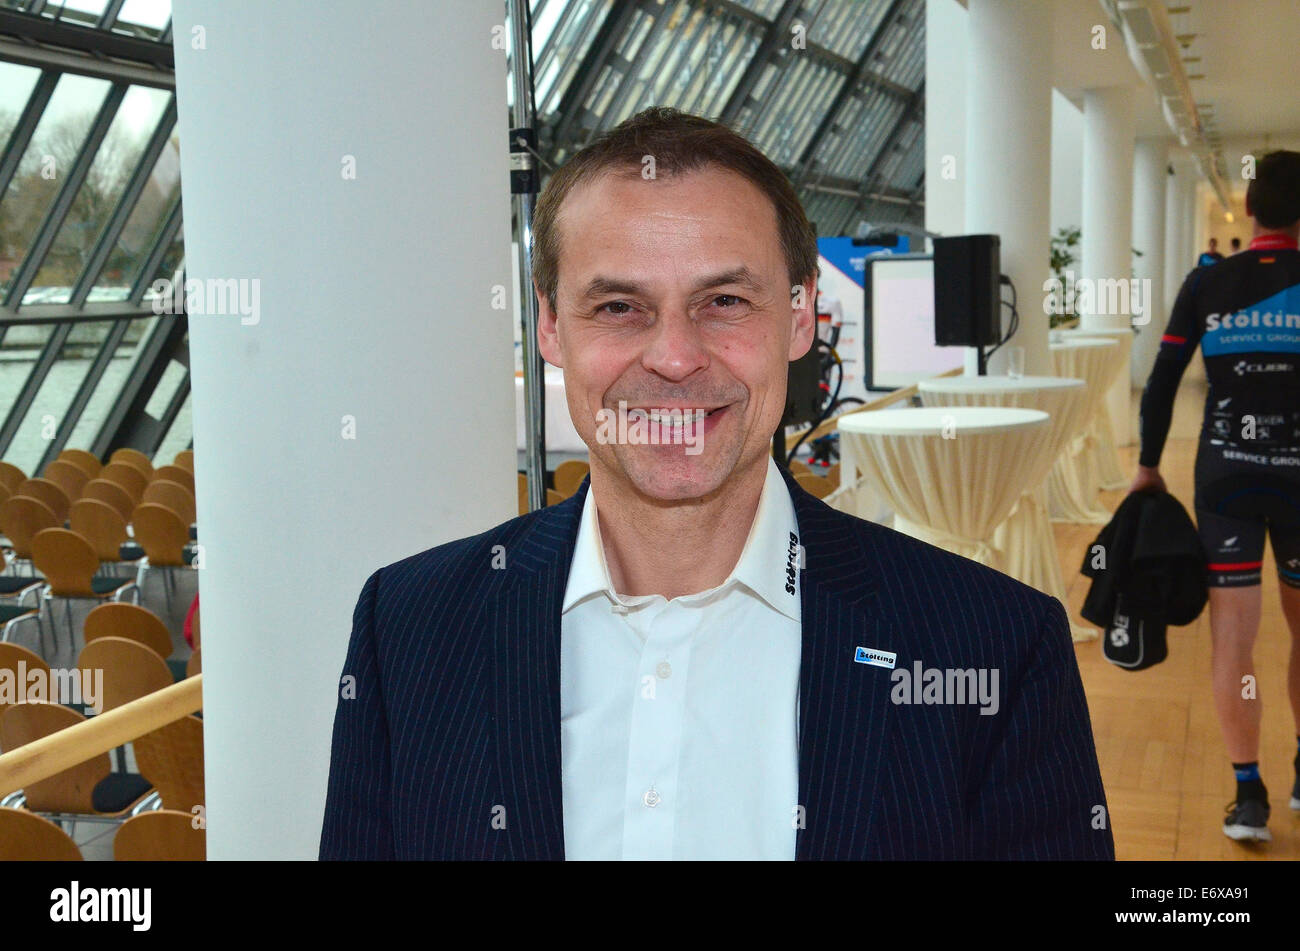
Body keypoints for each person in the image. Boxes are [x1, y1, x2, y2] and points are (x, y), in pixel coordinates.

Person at [320, 107, 1113, 861]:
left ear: (801, 317)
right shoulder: (410, 632)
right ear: (551, 326)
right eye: (620, 305)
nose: (673, 356)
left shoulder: (994, 648)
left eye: (724, 301)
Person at [1133, 150, 1300, 843]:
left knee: (1233, 639)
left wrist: (1147, 464)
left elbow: (1165, 377)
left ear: (1251, 209)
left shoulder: (1209, 282)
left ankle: (1248, 793)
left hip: (1225, 477)